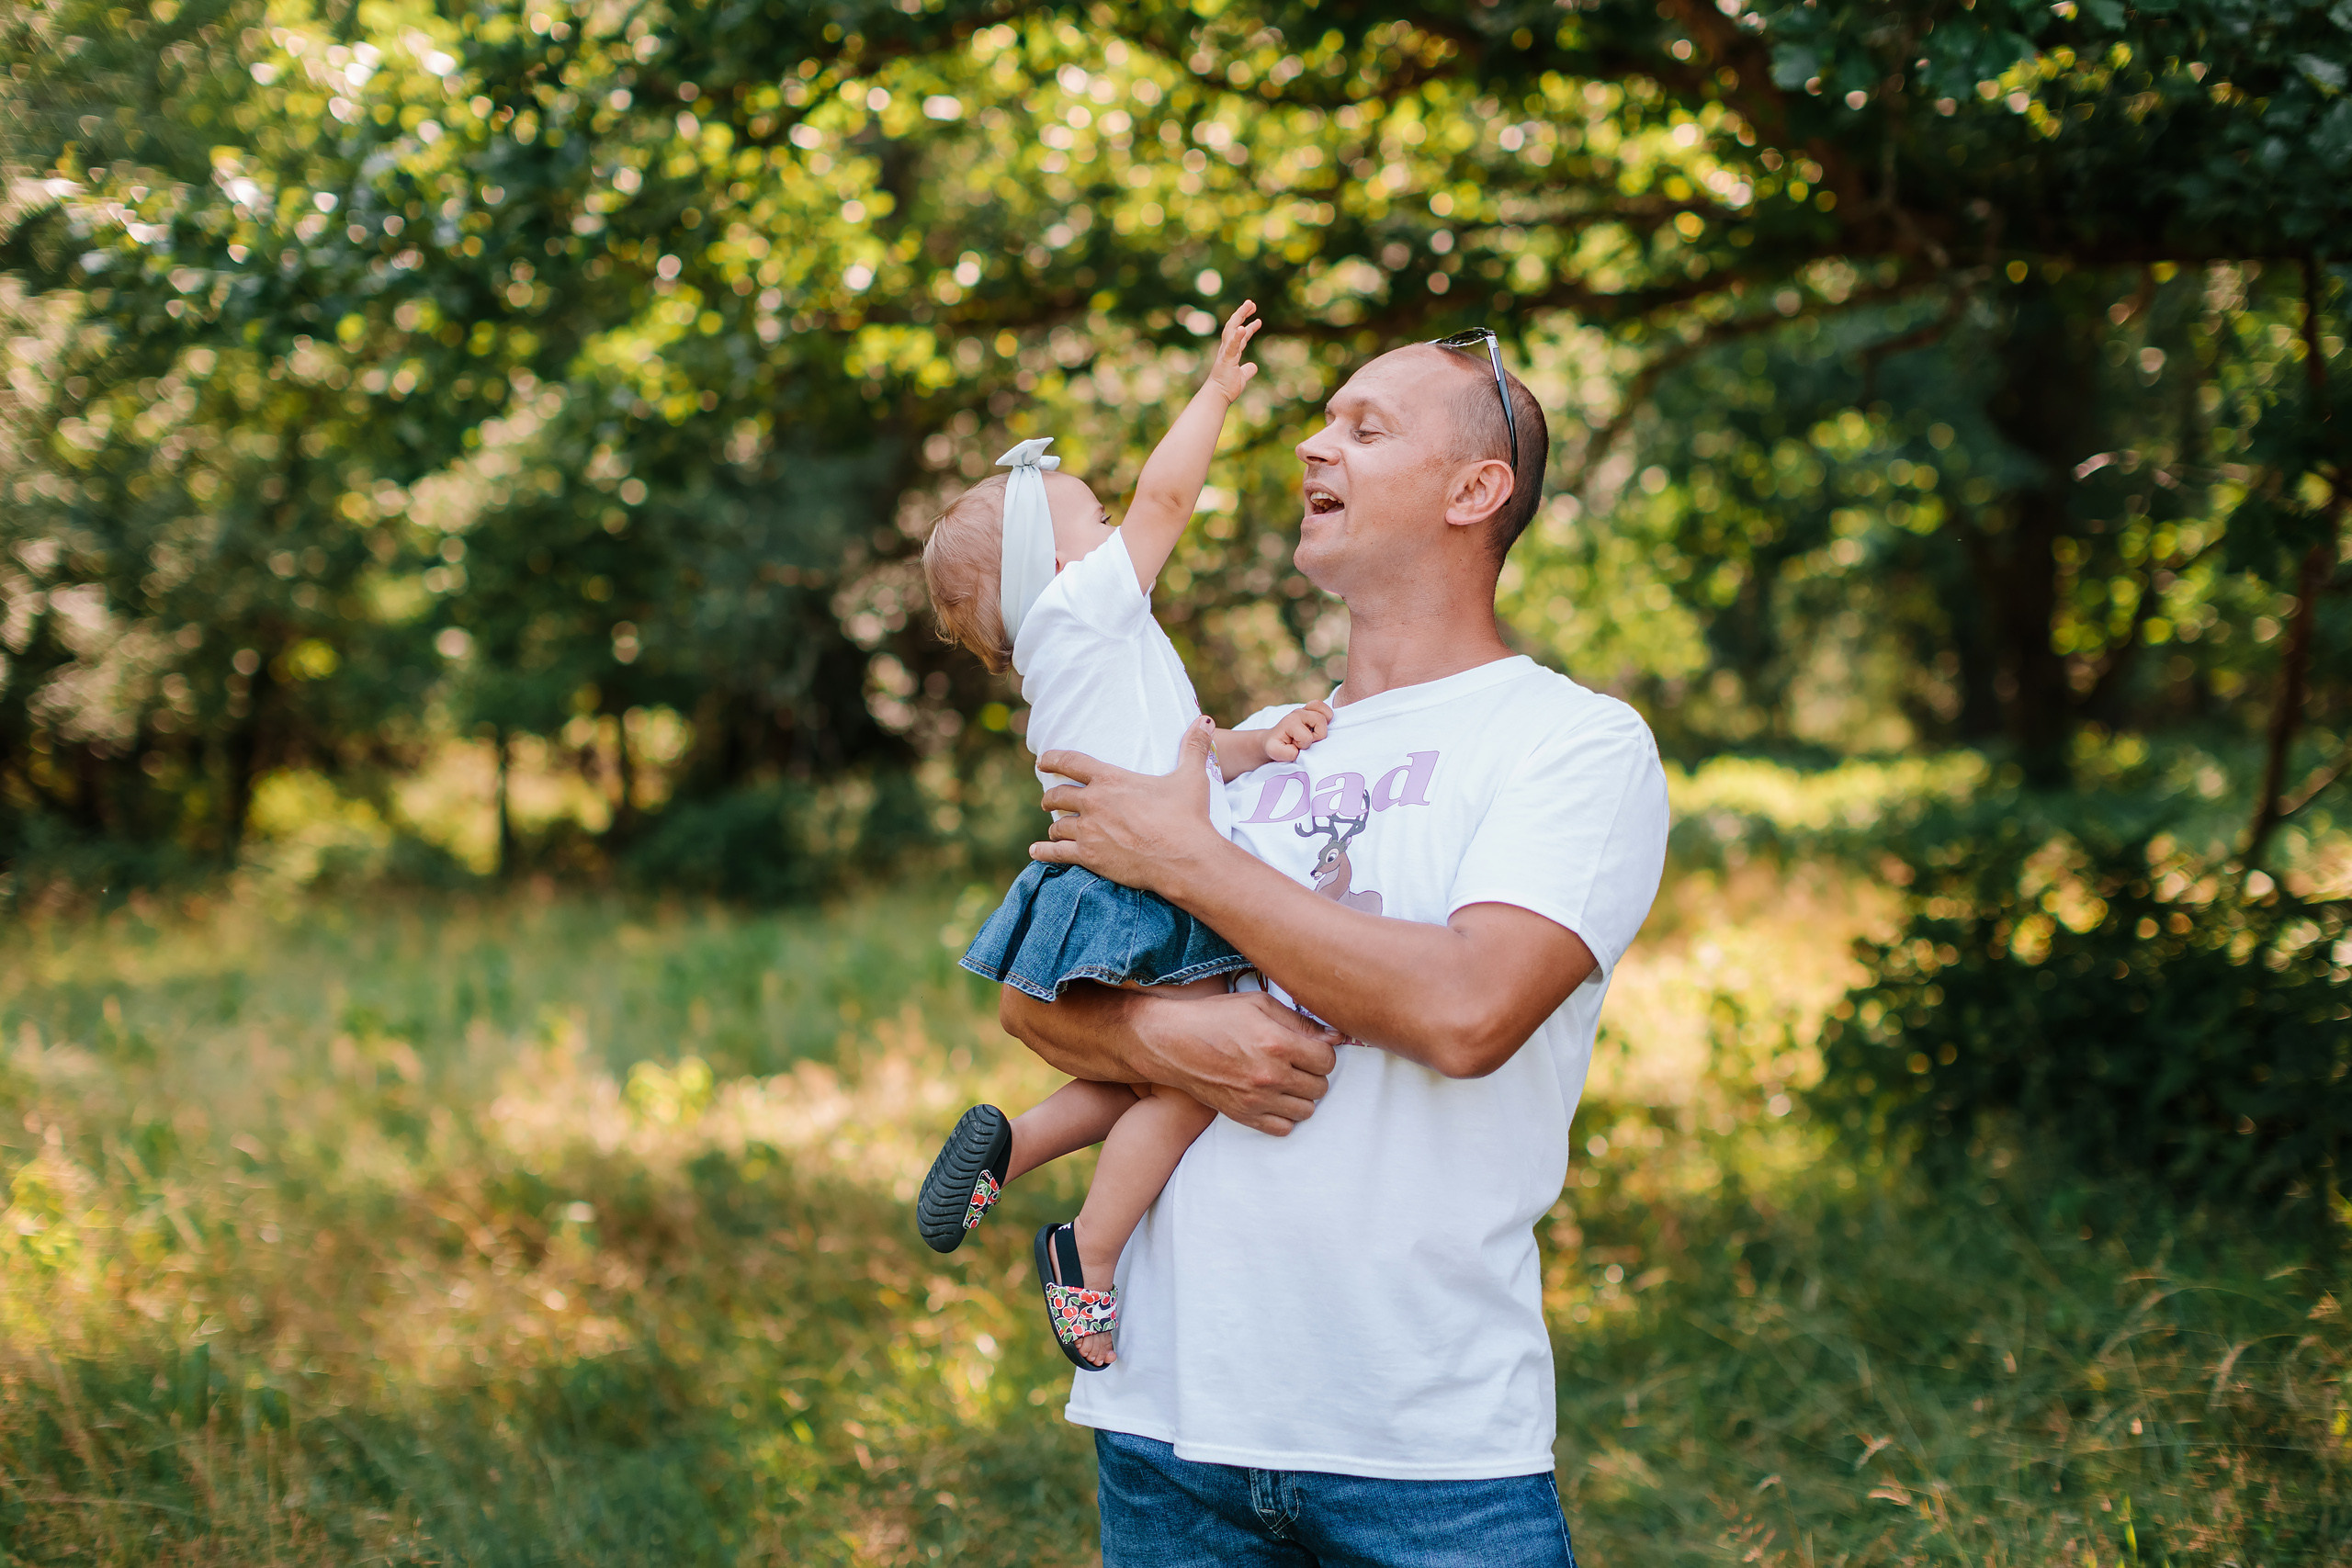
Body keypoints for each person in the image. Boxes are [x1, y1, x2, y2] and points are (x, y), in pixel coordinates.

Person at [1001, 330, 1671, 1566]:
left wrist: (1192, 861)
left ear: (1477, 491)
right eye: (1323, 420)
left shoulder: (1572, 741)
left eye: (1367, 428)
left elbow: (1472, 1009)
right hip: (1166, 1431)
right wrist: (1167, 1032)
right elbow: (1037, 1000)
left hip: (1424, 1452)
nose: (1312, 442)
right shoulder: (1237, 744)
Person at [912, 301, 1336, 1371]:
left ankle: (1014, 1146)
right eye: (1094, 523)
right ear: (1051, 572)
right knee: (1198, 1079)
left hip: (1112, 874)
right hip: (1144, 884)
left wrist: (1259, 742)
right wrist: (1215, 394)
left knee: (1154, 1073)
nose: (1119, 534)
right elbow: (1169, 493)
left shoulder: (1092, 653)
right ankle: (1087, 1254)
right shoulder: (1080, 611)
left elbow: (1185, 752)